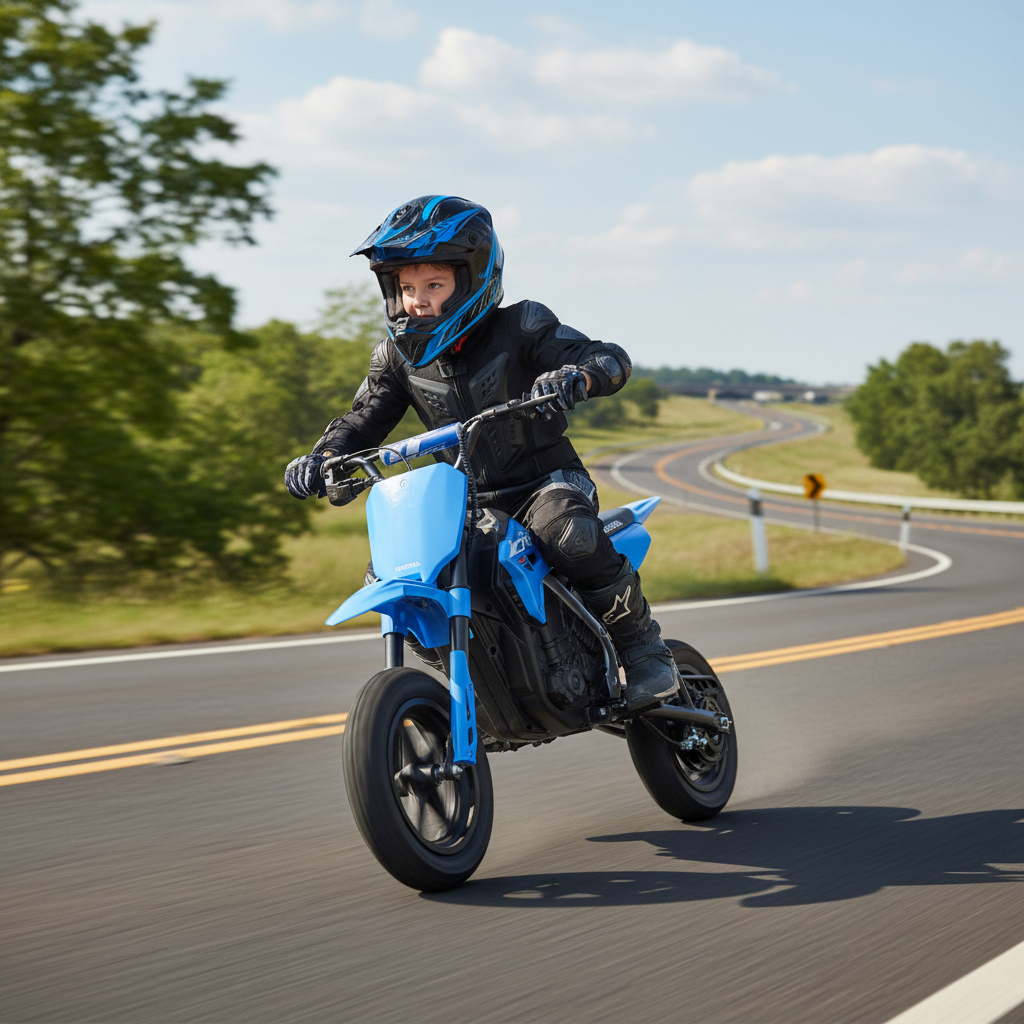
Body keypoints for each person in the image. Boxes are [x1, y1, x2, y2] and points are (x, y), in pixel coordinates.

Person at [284, 195, 676, 712]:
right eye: (406, 288)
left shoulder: (523, 325)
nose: (416, 301)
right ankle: (472, 688)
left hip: (545, 484)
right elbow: (361, 419)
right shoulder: (394, 359)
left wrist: (577, 375)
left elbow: (607, 358)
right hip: (461, 505)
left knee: (568, 533)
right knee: (394, 575)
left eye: (433, 285)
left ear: (473, 278)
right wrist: (323, 458)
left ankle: (644, 650)